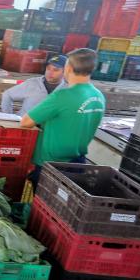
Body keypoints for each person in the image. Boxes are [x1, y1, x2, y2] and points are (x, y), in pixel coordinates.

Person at [21, 49, 105, 185]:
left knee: (42, 204)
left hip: (52, 164)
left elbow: (26, 122)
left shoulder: (62, 96)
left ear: (69, 68)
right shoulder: (98, 95)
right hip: (78, 162)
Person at [1, 55, 68, 116]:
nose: (50, 72)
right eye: (48, 68)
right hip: (24, 126)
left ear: (65, 72)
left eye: (55, 70)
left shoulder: (68, 88)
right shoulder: (32, 83)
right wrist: (8, 116)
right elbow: (7, 95)